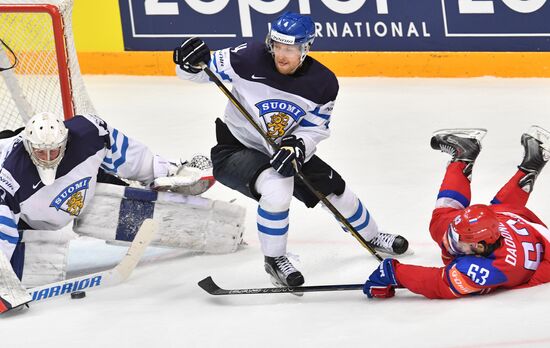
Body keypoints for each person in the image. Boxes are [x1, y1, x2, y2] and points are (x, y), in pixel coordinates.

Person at [173, 11, 409, 288]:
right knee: (278, 186)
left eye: (290, 49)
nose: (281, 55)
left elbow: (315, 128)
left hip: (284, 148)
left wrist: (298, 146)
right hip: (234, 148)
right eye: (278, 47)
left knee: (336, 191)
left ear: (306, 48)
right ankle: (275, 260)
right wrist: (187, 64)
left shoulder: (323, 83)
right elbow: (201, 72)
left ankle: (371, 236)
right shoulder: (247, 56)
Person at [0, 112, 217, 313]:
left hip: (82, 185)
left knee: (129, 205)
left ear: (65, 142)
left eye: (53, 151)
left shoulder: (89, 132)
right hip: (25, 216)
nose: (47, 157)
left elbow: (126, 154)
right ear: (29, 148)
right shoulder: (9, 176)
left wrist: (161, 171)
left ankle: (171, 171)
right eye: (40, 152)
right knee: (19, 267)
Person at [363, 126, 550, 299]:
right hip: (518, 225)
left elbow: (441, 283)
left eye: (459, 241)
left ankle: (470, 155)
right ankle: (522, 165)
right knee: (444, 224)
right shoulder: (485, 238)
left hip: (518, 224)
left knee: (440, 223)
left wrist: (395, 273)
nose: (449, 242)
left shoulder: (489, 269)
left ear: (480, 247)